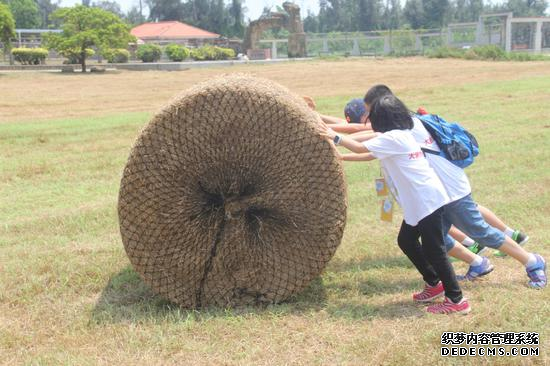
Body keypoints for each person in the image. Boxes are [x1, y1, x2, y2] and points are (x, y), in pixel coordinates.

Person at [353, 85, 546, 289]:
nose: (369, 118)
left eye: (371, 112)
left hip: (452, 191)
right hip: (436, 194)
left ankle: (533, 262)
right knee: (436, 239)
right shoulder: (403, 126)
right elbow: (366, 136)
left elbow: (365, 136)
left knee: (481, 232)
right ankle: (478, 263)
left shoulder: (409, 128)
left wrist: (332, 135)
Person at [323, 94, 471, 314]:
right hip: (419, 201)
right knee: (407, 241)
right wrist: (341, 157)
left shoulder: (394, 138)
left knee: (435, 251)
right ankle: (434, 283)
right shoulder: (400, 135)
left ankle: (457, 300)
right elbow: (370, 155)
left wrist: (333, 136)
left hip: (427, 200)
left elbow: (360, 148)